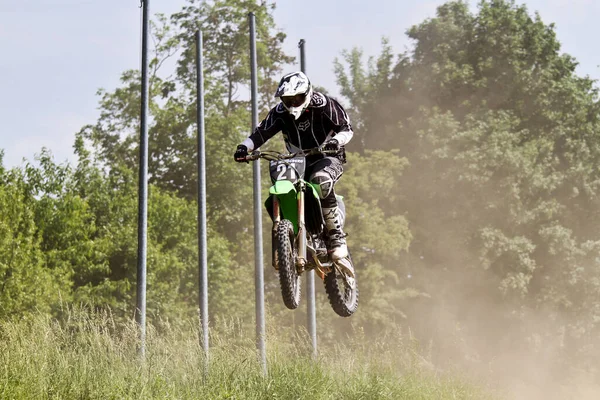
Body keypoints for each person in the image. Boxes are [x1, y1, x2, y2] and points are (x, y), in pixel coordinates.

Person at [233, 71, 354, 260]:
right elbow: (261, 133)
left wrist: (336, 141)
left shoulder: (324, 104)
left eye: (296, 99)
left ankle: (336, 236)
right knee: (283, 186)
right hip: (298, 159)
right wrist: (243, 147)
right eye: (287, 100)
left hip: (328, 156)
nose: (292, 104)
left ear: (306, 94)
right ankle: (293, 235)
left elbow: (346, 128)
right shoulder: (280, 112)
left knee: (320, 179)